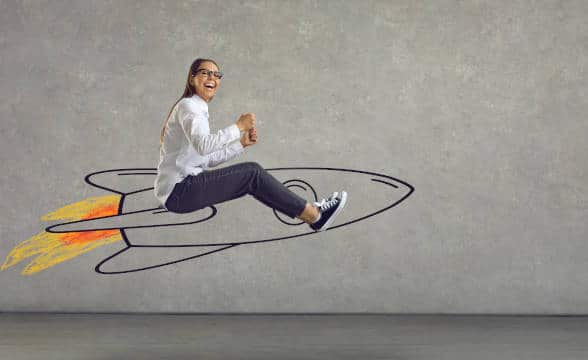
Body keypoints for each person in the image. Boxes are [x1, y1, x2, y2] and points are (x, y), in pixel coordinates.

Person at [154, 58, 347, 231]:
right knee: (252, 173)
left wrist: (241, 144)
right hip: (180, 190)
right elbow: (204, 146)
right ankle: (314, 215)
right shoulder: (190, 107)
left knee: (251, 181)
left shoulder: (196, 108)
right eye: (205, 72)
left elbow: (206, 159)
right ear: (192, 79)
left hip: (178, 192)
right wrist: (238, 126)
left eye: (216, 74)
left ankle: (313, 215)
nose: (211, 77)